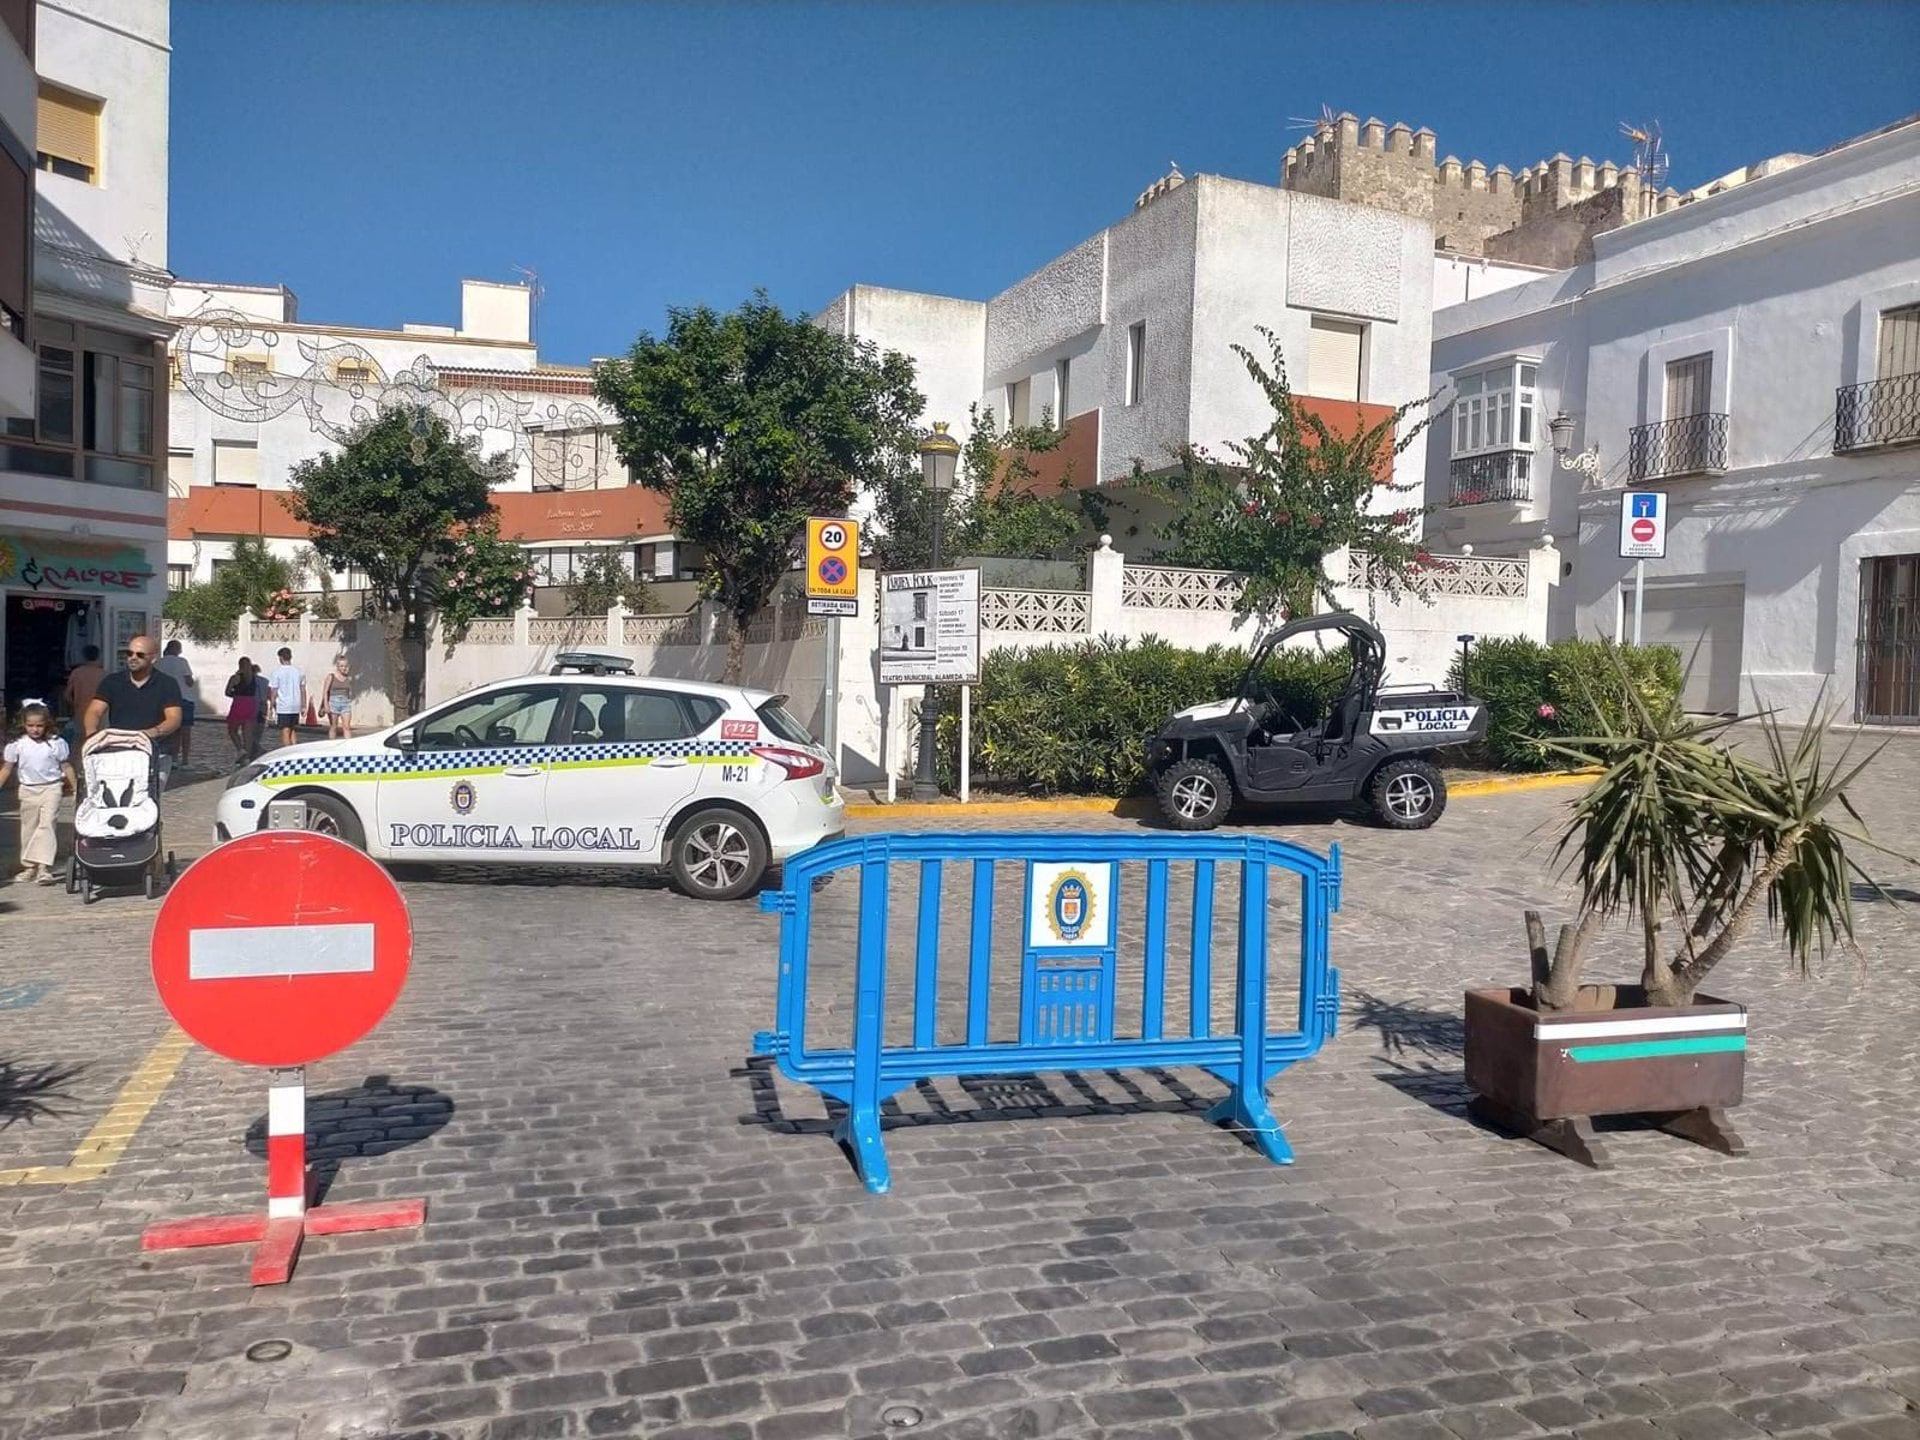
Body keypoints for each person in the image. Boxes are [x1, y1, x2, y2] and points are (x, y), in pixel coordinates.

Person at [84, 635, 184, 791]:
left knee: (148, 800)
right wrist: (92, 734)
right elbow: (95, 710)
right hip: (119, 750)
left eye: (140, 655)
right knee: (118, 798)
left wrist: (151, 732)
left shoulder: (167, 684)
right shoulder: (112, 681)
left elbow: (174, 718)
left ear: (153, 658)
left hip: (156, 751)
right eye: (129, 653)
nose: (133, 658)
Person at [1, 701, 76, 885]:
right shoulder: (17, 744)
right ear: (24, 725)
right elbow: (7, 768)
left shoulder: (55, 743)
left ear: (47, 724)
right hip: (28, 789)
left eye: (39, 726)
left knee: (47, 824)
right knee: (29, 827)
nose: (35, 730)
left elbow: (66, 766)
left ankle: (44, 867)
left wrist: (75, 788)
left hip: (51, 788)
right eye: (31, 726)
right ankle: (29, 866)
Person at [155, 639, 198, 770]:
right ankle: (185, 760)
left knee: (170, 730)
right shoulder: (182, 662)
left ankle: (171, 758)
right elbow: (189, 681)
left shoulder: (158, 662)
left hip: (165, 700)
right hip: (184, 698)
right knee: (185, 731)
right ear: (177, 649)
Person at [268, 648, 305, 750]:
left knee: (285, 730)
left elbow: (274, 691)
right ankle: (295, 750)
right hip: (295, 705)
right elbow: (303, 690)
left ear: (280, 658)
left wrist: (271, 706)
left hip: (284, 705)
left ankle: (288, 752)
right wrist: (303, 705)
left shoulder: (277, 672)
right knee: (292, 729)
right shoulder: (299, 672)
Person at [224, 657, 259, 763]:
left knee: (232, 730)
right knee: (247, 733)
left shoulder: (235, 677)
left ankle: (240, 749)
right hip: (251, 704)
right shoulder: (253, 678)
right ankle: (247, 757)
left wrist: (234, 693)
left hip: (239, 703)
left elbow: (227, 692)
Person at [61, 645, 104, 733]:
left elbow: (67, 695)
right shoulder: (104, 674)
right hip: (100, 714)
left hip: (81, 712)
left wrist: (75, 705)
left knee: (81, 742)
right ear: (98, 656)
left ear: (84, 656)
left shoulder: (77, 673)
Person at [319, 655, 354, 739]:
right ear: (337, 666)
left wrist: (349, 700)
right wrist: (326, 705)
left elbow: (349, 691)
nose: (343, 668)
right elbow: (325, 691)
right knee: (334, 726)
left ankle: (348, 747)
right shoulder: (331, 676)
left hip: (345, 703)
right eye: (341, 666)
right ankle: (332, 745)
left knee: (346, 727)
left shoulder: (348, 678)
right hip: (333, 702)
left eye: (345, 666)